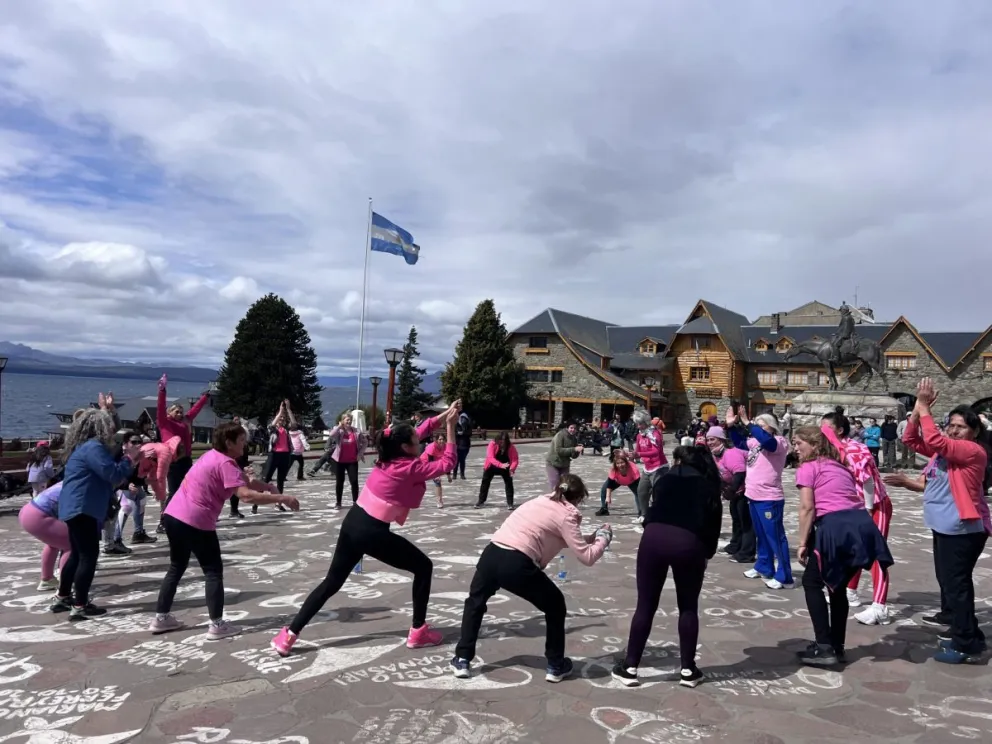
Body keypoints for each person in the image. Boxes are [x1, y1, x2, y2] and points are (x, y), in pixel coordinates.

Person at [271, 402, 463, 657]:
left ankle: (288, 636)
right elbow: (448, 462)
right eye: (417, 441)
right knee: (424, 567)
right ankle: (418, 632)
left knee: (331, 582)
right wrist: (450, 426)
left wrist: (446, 414)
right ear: (406, 447)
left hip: (353, 521)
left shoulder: (388, 455)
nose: (420, 442)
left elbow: (422, 428)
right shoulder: (410, 468)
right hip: (372, 532)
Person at [451, 474, 612, 683]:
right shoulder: (567, 515)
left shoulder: (538, 501)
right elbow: (587, 557)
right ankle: (556, 665)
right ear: (579, 498)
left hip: (492, 553)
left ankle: (462, 658)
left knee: (475, 602)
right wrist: (603, 539)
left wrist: (591, 537)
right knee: (555, 605)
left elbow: (565, 538)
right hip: (517, 563)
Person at [151, 422, 298, 639]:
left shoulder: (212, 456)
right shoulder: (226, 463)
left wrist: (268, 487)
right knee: (212, 571)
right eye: (241, 441)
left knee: (176, 566)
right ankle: (217, 625)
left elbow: (247, 482)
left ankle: (161, 618)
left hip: (173, 516)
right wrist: (282, 497)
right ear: (229, 443)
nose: (245, 445)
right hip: (195, 520)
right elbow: (245, 495)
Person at [888, 378, 991, 664]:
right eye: (951, 425)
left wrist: (923, 406)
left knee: (956, 587)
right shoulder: (945, 451)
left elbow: (935, 440)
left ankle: (966, 644)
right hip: (944, 525)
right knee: (952, 585)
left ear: (974, 432)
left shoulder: (973, 450)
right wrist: (917, 412)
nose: (954, 430)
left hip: (961, 529)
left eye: (961, 427)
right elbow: (911, 440)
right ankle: (970, 633)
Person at [612, 445, 722, 689]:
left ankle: (630, 667)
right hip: (689, 543)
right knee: (688, 606)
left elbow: (652, 509)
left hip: (654, 538)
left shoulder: (664, 479)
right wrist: (707, 554)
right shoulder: (708, 485)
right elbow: (713, 526)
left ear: (679, 461)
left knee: (645, 605)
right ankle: (688, 670)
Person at [792, 427, 893, 666]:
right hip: (860, 526)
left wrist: (802, 543)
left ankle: (824, 646)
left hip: (835, 526)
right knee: (837, 586)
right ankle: (837, 646)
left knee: (812, 582)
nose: (795, 448)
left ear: (814, 445)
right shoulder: (840, 466)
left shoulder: (808, 467)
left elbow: (807, 507)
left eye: (798, 443)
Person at [53, 409, 139, 620]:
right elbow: (113, 474)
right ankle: (80, 605)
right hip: (84, 507)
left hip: (74, 506)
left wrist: (110, 410)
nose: (111, 430)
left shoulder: (82, 447)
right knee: (88, 556)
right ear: (99, 428)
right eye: (108, 425)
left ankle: (63, 597)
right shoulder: (94, 447)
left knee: (76, 554)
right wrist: (130, 459)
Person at [820, 407, 891, 625]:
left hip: (875, 505)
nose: (822, 432)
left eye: (827, 428)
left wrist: (868, 509)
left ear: (839, 430)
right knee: (853, 550)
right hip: (853, 507)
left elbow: (866, 480)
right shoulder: (829, 450)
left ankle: (880, 606)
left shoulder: (854, 449)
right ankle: (850, 591)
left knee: (876, 554)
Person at [726, 406, 793, 590]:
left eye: (762, 426)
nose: (758, 429)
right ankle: (764, 566)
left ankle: (785, 576)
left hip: (769, 497)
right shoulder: (756, 442)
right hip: (753, 494)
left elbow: (768, 442)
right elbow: (739, 443)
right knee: (761, 535)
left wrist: (748, 423)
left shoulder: (778, 442)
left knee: (775, 537)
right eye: (757, 426)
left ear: (772, 427)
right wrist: (731, 426)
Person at [155, 374, 210, 534]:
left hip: (186, 460)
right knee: (173, 492)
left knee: (187, 490)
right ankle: (163, 522)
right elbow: (160, 407)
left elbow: (195, 410)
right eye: (176, 411)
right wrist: (162, 390)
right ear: (169, 412)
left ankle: (183, 517)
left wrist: (205, 397)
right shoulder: (164, 422)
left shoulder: (184, 422)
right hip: (172, 461)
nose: (180, 414)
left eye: (181, 411)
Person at [706, 426, 753, 562]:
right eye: (708, 440)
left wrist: (732, 490)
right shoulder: (716, 454)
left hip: (745, 490)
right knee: (736, 518)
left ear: (721, 440)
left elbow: (740, 473)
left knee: (745, 522)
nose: (709, 442)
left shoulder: (731, 453)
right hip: (735, 491)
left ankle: (746, 552)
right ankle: (736, 544)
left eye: (713, 439)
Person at [19, 482, 71, 592]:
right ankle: (65, 585)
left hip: (28, 511)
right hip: (39, 516)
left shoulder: (68, 481)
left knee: (54, 543)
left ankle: (47, 579)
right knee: (72, 544)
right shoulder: (82, 485)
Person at [631, 409, 669, 519]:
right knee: (641, 491)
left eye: (640, 424)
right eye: (637, 424)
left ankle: (660, 516)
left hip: (659, 468)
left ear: (646, 422)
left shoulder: (654, 434)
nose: (638, 426)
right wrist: (630, 455)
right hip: (647, 468)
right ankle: (644, 515)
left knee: (658, 493)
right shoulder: (640, 435)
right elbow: (637, 451)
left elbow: (656, 451)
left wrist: (639, 454)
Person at [325, 413, 366, 510]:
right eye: (347, 420)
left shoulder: (356, 431)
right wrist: (339, 426)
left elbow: (365, 442)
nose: (349, 421)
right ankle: (338, 503)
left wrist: (360, 453)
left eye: (350, 420)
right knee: (340, 481)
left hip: (352, 460)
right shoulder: (339, 431)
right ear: (343, 420)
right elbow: (331, 435)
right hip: (339, 461)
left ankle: (355, 502)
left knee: (354, 481)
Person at [259, 400, 295, 509]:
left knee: (281, 480)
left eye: (283, 418)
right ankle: (256, 502)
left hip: (285, 455)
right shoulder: (273, 429)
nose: (282, 419)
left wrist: (288, 409)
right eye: (280, 418)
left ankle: (278, 503)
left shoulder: (286, 429)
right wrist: (280, 411)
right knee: (266, 479)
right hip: (274, 455)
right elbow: (272, 424)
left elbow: (294, 423)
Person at [476, 432, 519, 510]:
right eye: (500, 441)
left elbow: (515, 459)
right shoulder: (492, 444)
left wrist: (512, 468)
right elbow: (490, 457)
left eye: (503, 441)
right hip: (492, 466)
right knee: (485, 482)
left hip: (505, 466)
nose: (502, 443)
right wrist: (500, 465)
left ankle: (510, 503)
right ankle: (481, 501)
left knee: (509, 483)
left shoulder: (511, 446)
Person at [597, 449, 640, 518]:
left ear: (626, 462)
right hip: (617, 481)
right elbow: (609, 484)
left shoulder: (633, 468)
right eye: (618, 463)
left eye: (622, 462)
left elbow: (638, 483)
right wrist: (608, 497)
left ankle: (641, 512)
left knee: (639, 493)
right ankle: (604, 509)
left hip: (631, 481)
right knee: (604, 490)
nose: (620, 465)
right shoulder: (613, 469)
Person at [546, 422, 583, 490]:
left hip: (565, 464)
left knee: (564, 485)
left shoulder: (574, 438)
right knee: (555, 486)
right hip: (553, 463)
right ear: (567, 428)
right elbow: (559, 450)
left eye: (575, 428)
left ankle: (561, 496)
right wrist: (574, 449)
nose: (573, 430)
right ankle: (554, 496)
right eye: (571, 428)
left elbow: (573, 456)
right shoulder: (560, 435)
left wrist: (577, 451)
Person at [422, 433, 452, 508]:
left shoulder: (446, 447)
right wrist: (435, 475)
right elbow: (430, 462)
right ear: (436, 440)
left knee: (438, 482)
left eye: (443, 439)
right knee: (417, 481)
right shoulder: (432, 447)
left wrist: (448, 476)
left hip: (436, 463)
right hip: (424, 464)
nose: (442, 441)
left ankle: (439, 501)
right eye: (440, 439)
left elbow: (446, 462)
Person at [454, 412, 473, 480]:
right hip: (457, 445)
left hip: (465, 445)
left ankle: (462, 474)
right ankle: (454, 474)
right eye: (462, 418)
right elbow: (453, 433)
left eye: (464, 418)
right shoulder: (456, 424)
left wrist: (463, 433)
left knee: (462, 460)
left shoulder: (468, 425)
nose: (463, 420)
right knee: (456, 460)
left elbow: (470, 433)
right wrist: (458, 433)